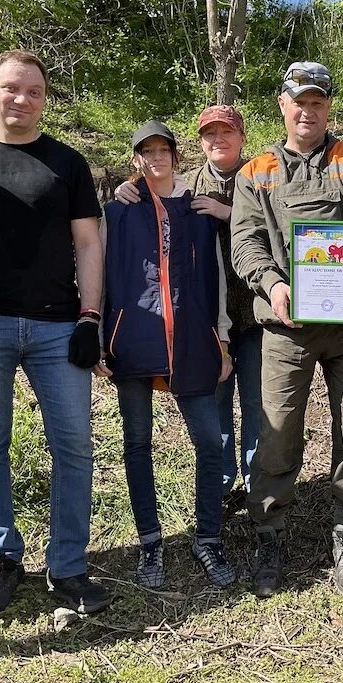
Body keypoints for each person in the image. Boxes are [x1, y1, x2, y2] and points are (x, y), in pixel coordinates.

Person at [0, 50, 111, 616]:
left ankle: (69, 566)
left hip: (60, 326)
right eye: (11, 88)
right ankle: (4, 560)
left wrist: (90, 316)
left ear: (44, 99)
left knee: (75, 446)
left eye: (33, 91)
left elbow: (88, 243)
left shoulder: (67, 163)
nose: (21, 100)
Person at [230, 61, 343, 598]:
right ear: (282, 105)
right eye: (299, 100)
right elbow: (246, 242)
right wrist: (273, 286)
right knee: (277, 431)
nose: (308, 110)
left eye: (318, 101)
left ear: (328, 107)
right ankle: (270, 531)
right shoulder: (254, 172)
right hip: (287, 325)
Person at [99, 120, 236, 588]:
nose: (156, 158)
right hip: (134, 338)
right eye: (147, 151)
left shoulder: (197, 208)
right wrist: (99, 334)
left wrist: (221, 338)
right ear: (136, 157)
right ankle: (150, 543)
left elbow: (216, 275)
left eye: (164, 150)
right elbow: (99, 270)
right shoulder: (118, 210)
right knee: (137, 444)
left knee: (210, 441)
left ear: (177, 156)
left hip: (194, 341)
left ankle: (208, 538)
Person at [114, 106, 261, 507]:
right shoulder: (191, 183)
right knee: (216, 405)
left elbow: (280, 225)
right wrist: (126, 189)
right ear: (198, 143)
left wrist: (227, 214)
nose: (219, 140)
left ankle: (258, 485)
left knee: (257, 406)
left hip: (256, 310)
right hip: (203, 323)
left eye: (226, 132)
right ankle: (224, 485)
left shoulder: (262, 176)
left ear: (242, 136)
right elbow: (154, 194)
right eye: (209, 134)